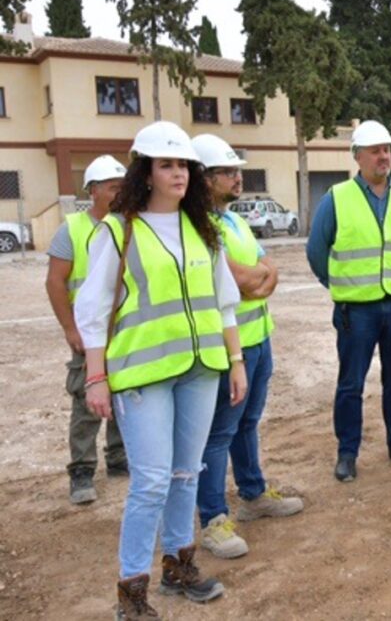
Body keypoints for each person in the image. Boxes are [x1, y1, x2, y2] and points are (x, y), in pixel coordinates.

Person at [77, 121, 246, 617]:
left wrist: (235, 362)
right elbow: (92, 310)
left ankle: (179, 566)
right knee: (151, 481)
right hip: (143, 374)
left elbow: (225, 304)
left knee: (185, 473)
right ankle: (131, 592)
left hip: (201, 369)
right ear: (145, 172)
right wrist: (95, 376)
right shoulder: (119, 229)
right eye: (166, 164)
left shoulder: (201, 228)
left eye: (184, 165)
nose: (178, 173)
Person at [191, 134, 303, 561]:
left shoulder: (234, 220)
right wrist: (256, 281)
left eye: (237, 170)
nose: (238, 177)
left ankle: (253, 494)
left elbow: (268, 270)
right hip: (225, 348)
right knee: (219, 433)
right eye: (227, 171)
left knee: (248, 422)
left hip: (258, 339)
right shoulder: (199, 225)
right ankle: (213, 518)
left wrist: (259, 281)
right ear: (205, 177)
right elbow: (238, 280)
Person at [306, 120, 391, 483]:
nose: (383, 156)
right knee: (351, 384)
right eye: (376, 150)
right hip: (355, 309)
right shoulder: (337, 198)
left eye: (387, 150)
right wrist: (337, 285)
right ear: (357, 156)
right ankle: (347, 453)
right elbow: (317, 250)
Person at [45, 155, 129, 505]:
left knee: (124, 394)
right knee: (86, 400)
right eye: (113, 187)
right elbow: (55, 282)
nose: (120, 193)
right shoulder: (73, 229)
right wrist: (70, 329)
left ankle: (118, 459)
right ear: (93, 191)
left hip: (123, 331)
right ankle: (81, 470)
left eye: (123, 186)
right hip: (87, 332)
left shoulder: (129, 224)